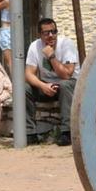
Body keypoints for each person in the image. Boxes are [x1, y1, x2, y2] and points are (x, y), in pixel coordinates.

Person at [24, 18, 78, 146]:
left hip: (69, 84)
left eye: (54, 32)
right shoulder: (34, 46)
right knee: (24, 88)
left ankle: (67, 132)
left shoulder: (66, 44)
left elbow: (66, 74)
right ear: (40, 34)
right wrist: (43, 86)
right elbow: (28, 74)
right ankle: (30, 133)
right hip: (48, 85)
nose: (51, 36)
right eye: (46, 33)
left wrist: (51, 56)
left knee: (64, 85)